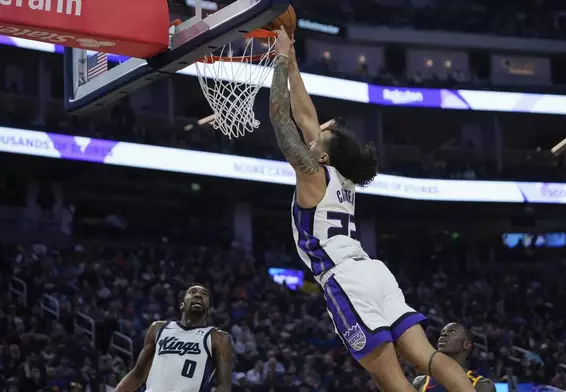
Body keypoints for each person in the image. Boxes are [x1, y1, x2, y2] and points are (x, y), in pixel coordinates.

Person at [268, 26, 476, 392]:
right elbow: (305, 117)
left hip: (346, 279)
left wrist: (281, 61)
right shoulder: (341, 177)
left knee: (389, 375)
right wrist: (294, 58)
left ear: (321, 154)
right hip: (375, 272)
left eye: (318, 137)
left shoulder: (314, 174)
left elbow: (283, 120)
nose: (314, 133)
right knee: (425, 356)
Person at [113, 284, 233, 392]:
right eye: (192, 292)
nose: (198, 295)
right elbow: (138, 374)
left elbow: (224, 386)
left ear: (209, 309)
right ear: (182, 305)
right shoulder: (158, 328)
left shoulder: (218, 338)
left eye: (204, 294)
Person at [412, 323, 496, 392]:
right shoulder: (421, 382)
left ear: (466, 345)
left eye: (452, 332)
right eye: (442, 333)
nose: (444, 334)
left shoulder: (482, 385)